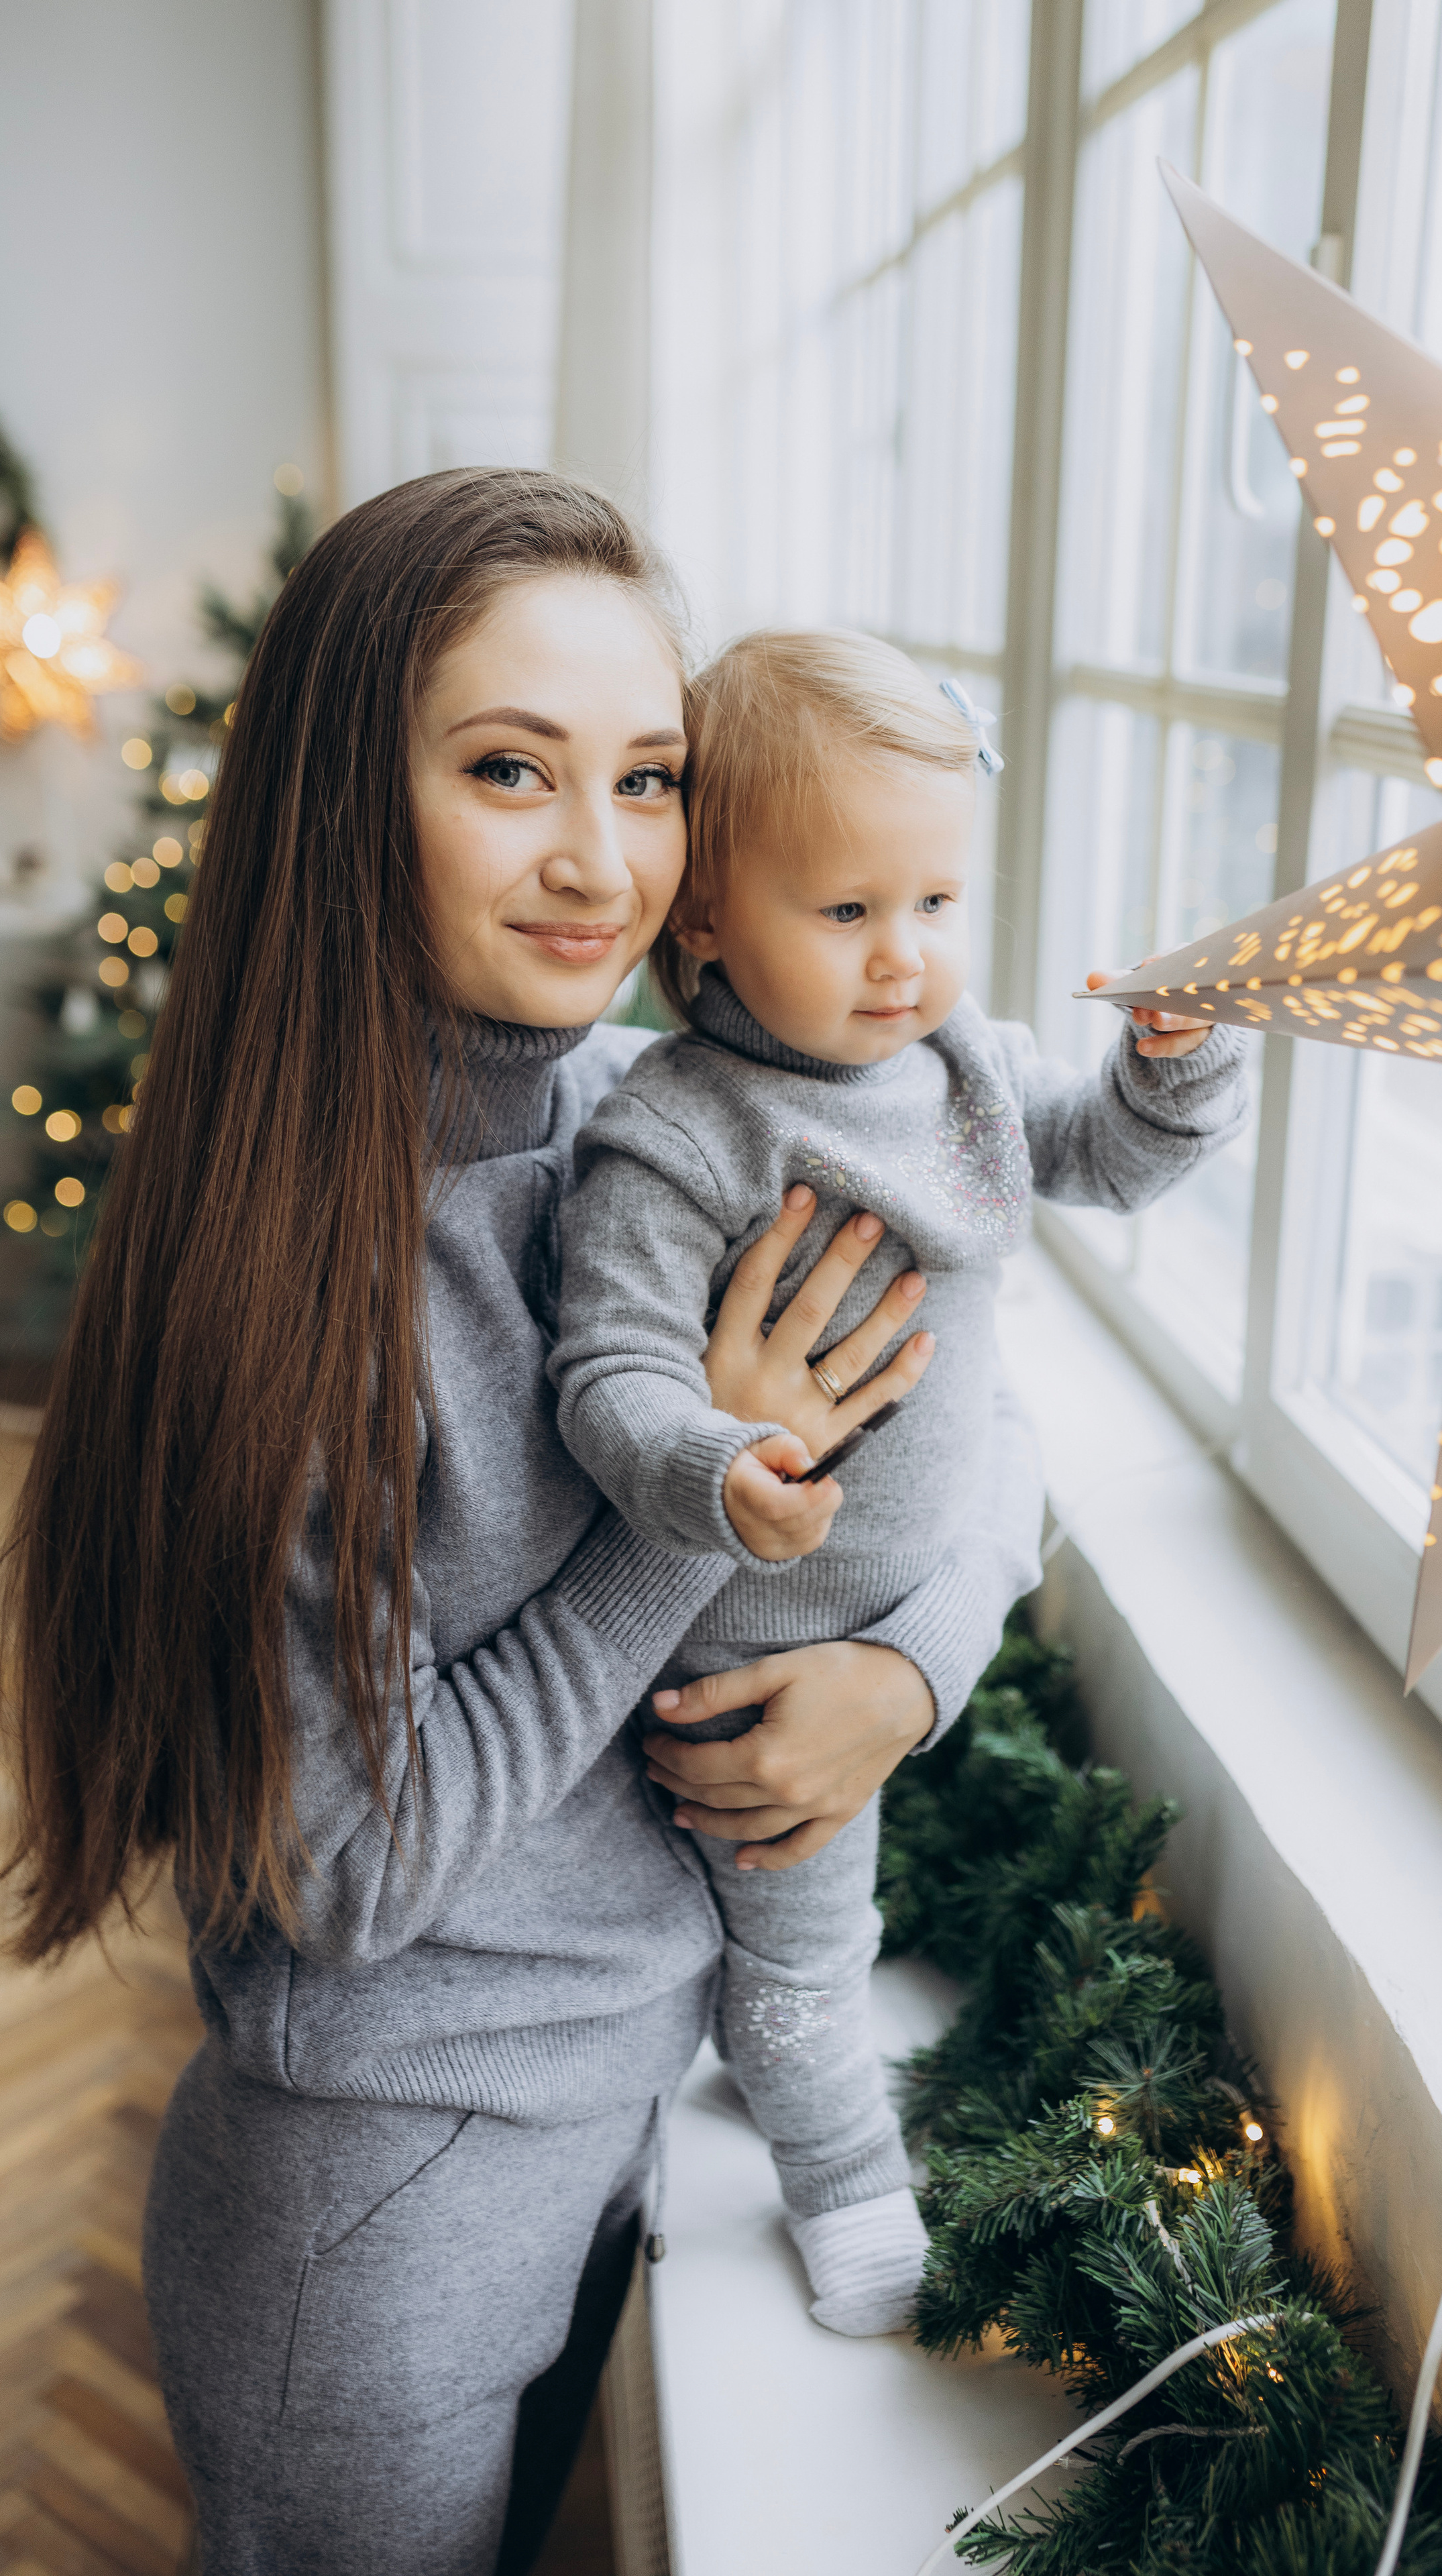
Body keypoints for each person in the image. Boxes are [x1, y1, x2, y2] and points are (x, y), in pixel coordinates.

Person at [0, 470, 1060, 2576]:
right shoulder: (297, 1279)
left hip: (617, 2112)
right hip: (376, 2215)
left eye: (650, 778)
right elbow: (347, 1870)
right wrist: (700, 1523)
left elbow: (993, 1431)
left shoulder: (655, 1115)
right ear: (341, 799)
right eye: (507, 770)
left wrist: (898, 1673)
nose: (601, 860)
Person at [551, 628, 1246, 2336]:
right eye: (846, 912)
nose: (902, 961)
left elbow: (1113, 1159)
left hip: (895, 1620)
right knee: (804, 1959)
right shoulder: (682, 1130)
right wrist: (716, 1463)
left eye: (933, 904)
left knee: (808, 1940)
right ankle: (843, 2178)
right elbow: (608, 1375)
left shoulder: (969, 1073)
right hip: (746, 1657)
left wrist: (1173, 1068)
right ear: (702, 917)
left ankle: (783, 2081)